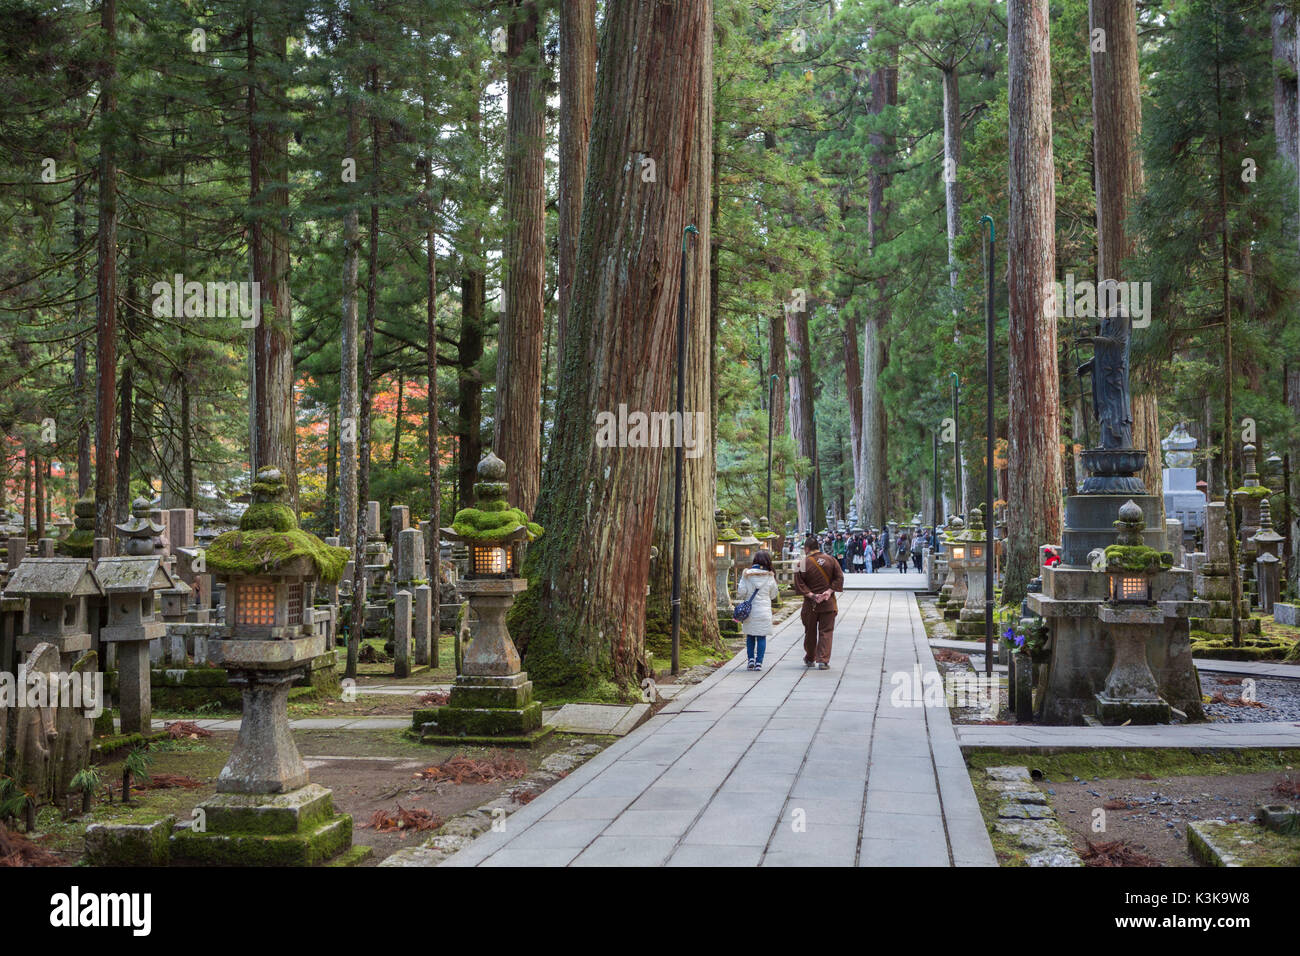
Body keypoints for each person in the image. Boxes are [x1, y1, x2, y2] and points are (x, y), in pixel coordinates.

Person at [793, 534, 844, 670]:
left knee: (810, 631)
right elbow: (839, 577)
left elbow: (798, 583)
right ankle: (823, 660)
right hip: (828, 602)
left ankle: (810, 658)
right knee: (826, 631)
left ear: (807, 548)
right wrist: (829, 591)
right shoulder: (831, 560)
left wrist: (811, 595)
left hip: (811, 604)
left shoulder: (801, 563)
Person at [736, 549, 780, 671]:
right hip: (764, 611)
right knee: (761, 637)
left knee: (750, 636)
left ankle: (750, 659)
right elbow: (773, 595)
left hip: (750, 611)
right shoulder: (770, 577)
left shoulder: (747, 575)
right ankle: (759, 662)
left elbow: (741, 592)